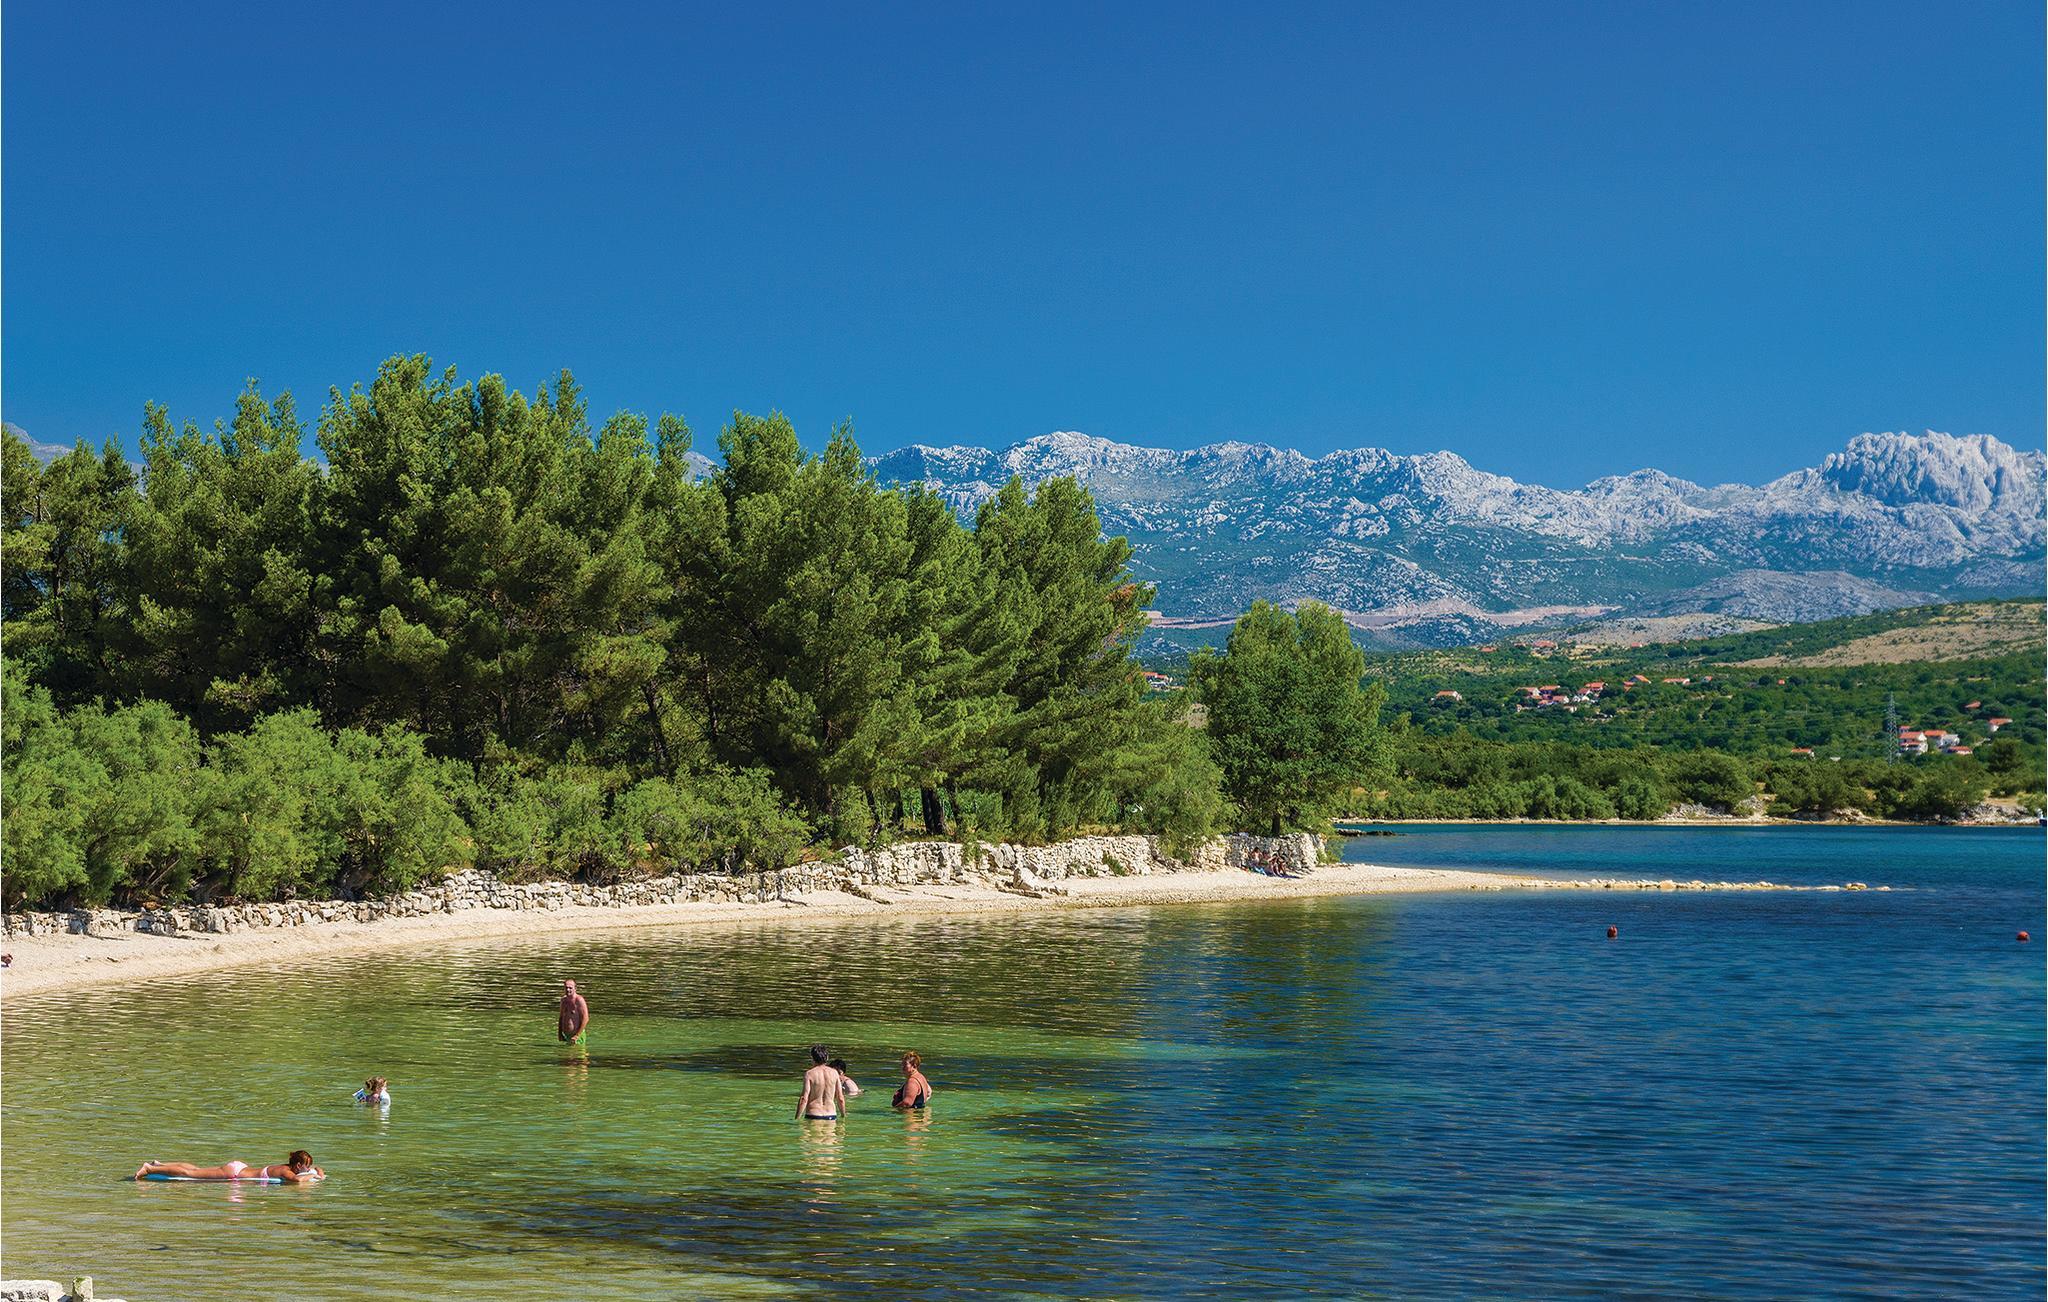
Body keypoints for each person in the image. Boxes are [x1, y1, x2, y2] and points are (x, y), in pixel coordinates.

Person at [135, 1151, 323, 1183]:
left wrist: (317, 1171)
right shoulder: (285, 1171)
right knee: (191, 1174)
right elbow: (297, 1182)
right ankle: (150, 1169)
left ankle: (161, 1165)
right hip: (234, 1174)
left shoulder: (287, 1167)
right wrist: (316, 1176)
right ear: (298, 1165)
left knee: (195, 1169)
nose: (308, 1170)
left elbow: (311, 1171)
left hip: (239, 1169)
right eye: (307, 1167)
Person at [796, 1044, 847, 1121]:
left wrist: (797, 1118)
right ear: (827, 1057)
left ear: (812, 1058)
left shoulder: (809, 1074)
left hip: (813, 1115)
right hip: (831, 1116)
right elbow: (840, 1098)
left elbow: (804, 1099)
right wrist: (843, 1116)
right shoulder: (834, 1073)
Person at [558, 979, 589, 1044]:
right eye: (566, 988)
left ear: (575, 989)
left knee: (578, 1050)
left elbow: (586, 1019)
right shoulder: (563, 1000)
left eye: (570, 988)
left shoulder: (579, 1000)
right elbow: (561, 1017)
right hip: (566, 1035)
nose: (568, 990)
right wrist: (560, 1033)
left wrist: (577, 1035)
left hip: (577, 1036)